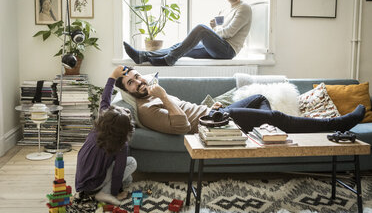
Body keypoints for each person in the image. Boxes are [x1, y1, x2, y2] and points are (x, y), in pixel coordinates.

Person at [115, 67, 366, 135]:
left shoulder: (154, 93)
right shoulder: (146, 108)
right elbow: (181, 126)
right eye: (131, 84)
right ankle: (338, 124)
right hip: (210, 126)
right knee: (276, 117)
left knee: (258, 98)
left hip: (215, 114)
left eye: (137, 77)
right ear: (128, 91)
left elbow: (186, 109)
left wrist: (208, 107)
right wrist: (164, 97)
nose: (138, 82)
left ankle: (265, 128)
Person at [124, 0, 252, 66]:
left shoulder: (244, 8)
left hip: (228, 50)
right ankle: (143, 56)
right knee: (182, 46)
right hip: (219, 46)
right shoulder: (224, 10)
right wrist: (214, 28)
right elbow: (220, 31)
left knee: (201, 28)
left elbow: (228, 33)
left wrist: (213, 30)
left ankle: (170, 59)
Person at [75, 66, 137, 205]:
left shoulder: (101, 123)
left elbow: (105, 97)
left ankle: (101, 189)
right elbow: (117, 172)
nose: (127, 110)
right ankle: (104, 193)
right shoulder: (121, 145)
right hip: (94, 185)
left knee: (128, 180)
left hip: (81, 182)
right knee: (132, 163)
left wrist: (113, 76)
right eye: (127, 113)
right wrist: (115, 192)